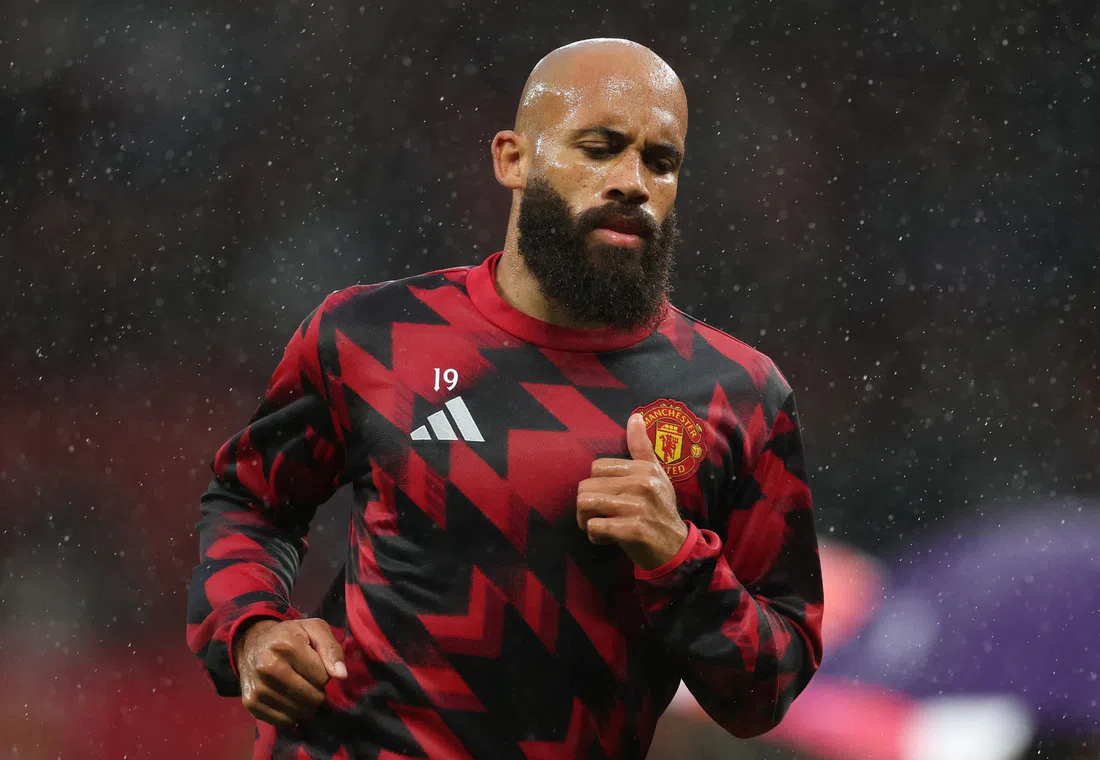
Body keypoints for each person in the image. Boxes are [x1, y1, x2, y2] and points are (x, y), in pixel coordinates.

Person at [186, 37, 823, 760]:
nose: (633, 182)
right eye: (601, 147)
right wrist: (250, 629)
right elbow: (248, 503)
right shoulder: (372, 334)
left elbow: (768, 689)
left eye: (660, 160)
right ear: (512, 158)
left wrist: (678, 558)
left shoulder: (740, 396)